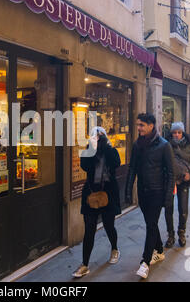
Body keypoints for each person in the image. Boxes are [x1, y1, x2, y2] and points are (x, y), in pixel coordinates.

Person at [125, 113, 175, 279]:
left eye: (141, 125)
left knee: (151, 224)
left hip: (157, 192)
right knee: (151, 224)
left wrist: (168, 197)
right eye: (138, 125)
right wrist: (127, 190)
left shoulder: (164, 145)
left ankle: (145, 262)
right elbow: (132, 168)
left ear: (151, 125)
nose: (138, 128)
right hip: (143, 192)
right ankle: (159, 251)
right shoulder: (137, 145)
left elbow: (171, 173)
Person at [72, 127, 122, 278]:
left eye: (100, 137)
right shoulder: (88, 151)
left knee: (109, 225)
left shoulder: (111, 150)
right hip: (91, 194)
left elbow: (116, 163)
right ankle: (85, 264)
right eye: (95, 136)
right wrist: (91, 149)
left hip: (109, 194)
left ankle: (114, 249)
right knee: (89, 230)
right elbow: (85, 166)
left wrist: (106, 146)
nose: (98, 139)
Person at [164, 122, 190, 248]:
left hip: (184, 181)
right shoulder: (166, 145)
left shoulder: (188, 147)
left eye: (179, 132)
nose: (177, 135)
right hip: (170, 182)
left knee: (183, 209)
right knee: (168, 209)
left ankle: (181, 233)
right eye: (174, 132)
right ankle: (170, 235)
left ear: (183, 133)